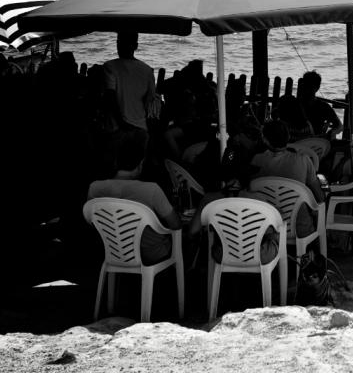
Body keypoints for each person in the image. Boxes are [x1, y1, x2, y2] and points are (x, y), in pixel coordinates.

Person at [87, 130, 181, 265]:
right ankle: (162, 284)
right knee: (187, 242)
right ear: (142, 164)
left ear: (115, 162)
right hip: (151, 254)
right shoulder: (151, 190)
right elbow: (176, 224)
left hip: (114, 252)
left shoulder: (95, 188)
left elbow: (92, 222)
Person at [188, 150, 280, 264]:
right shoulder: (257, 198)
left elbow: (192, 230)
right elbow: (275, 224)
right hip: (258, 256)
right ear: (245, 174)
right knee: (277, 237)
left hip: (222, 255)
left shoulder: (209, 198)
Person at [250, 120, 325, 238]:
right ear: (288, 137)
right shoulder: (303, 160)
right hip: (300, 230)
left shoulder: (257, 161)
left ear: (266, 140)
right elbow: (320, 197)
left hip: (267, 230)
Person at [103, 31, 157, 133]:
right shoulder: (147, 70)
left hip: (117, 129)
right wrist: (151, 135)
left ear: (117, 43)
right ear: (135, 46)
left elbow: (111, 95)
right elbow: (150, 105)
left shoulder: (110, 66)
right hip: (141, 128)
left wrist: (122, 123)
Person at [296, 71, 341, 138]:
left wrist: (332, 132)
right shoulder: (294, 104)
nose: (307, 91)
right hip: (297, 140)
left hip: (316, 141)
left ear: (317, 89)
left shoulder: (323, 106)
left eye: (310, 88)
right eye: (305, 87)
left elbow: (339, 125)